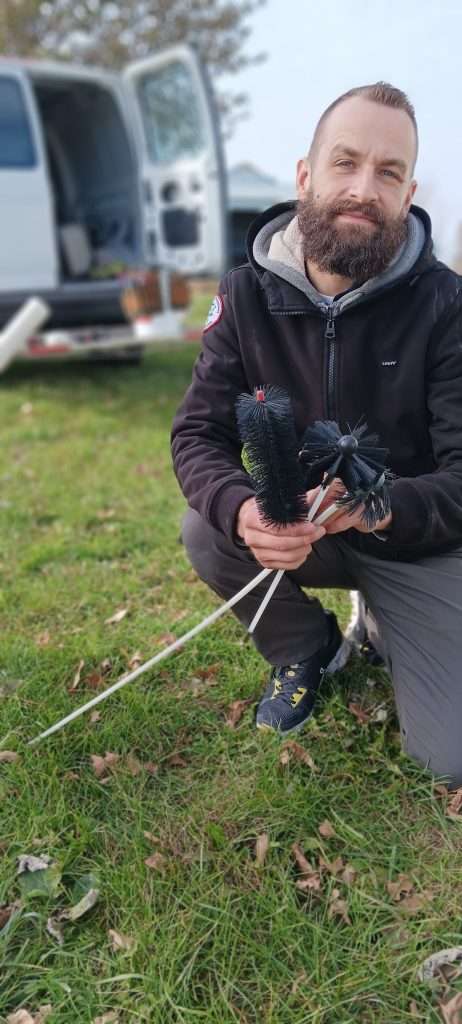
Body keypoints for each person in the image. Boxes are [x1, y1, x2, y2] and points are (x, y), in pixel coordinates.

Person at [171, 82, 462, 788]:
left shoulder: (447, 305)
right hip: (300, 533)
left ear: (408, 190)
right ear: (306, 175)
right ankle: (307, 647)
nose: (364, 188)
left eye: (388, 172)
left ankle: (386, 624)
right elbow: (197, 433)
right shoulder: (244, 296)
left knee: (447, 758)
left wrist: (382, 506)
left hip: (414, 543)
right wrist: (245, 509)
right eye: (346, 162)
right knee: (206, 528)